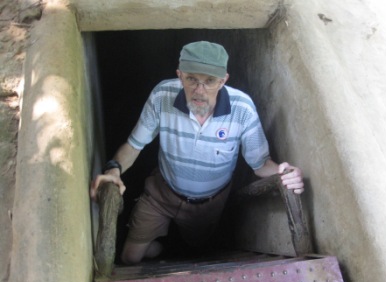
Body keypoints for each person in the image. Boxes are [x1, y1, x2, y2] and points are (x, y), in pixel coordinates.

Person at [90, 41, 305, 265]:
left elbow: (260, 164)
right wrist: (114, 170)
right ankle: (160, 250)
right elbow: (134, 145)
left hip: (208, 206)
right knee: (130, 258)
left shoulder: (243, 110)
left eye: (209, 81)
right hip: (161, 193)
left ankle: (176, 249)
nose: (199, 91)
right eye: (192, 79)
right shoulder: (162, 96)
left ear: (223, 81)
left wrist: (282, 172)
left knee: (196, 250)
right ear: (180, 75)